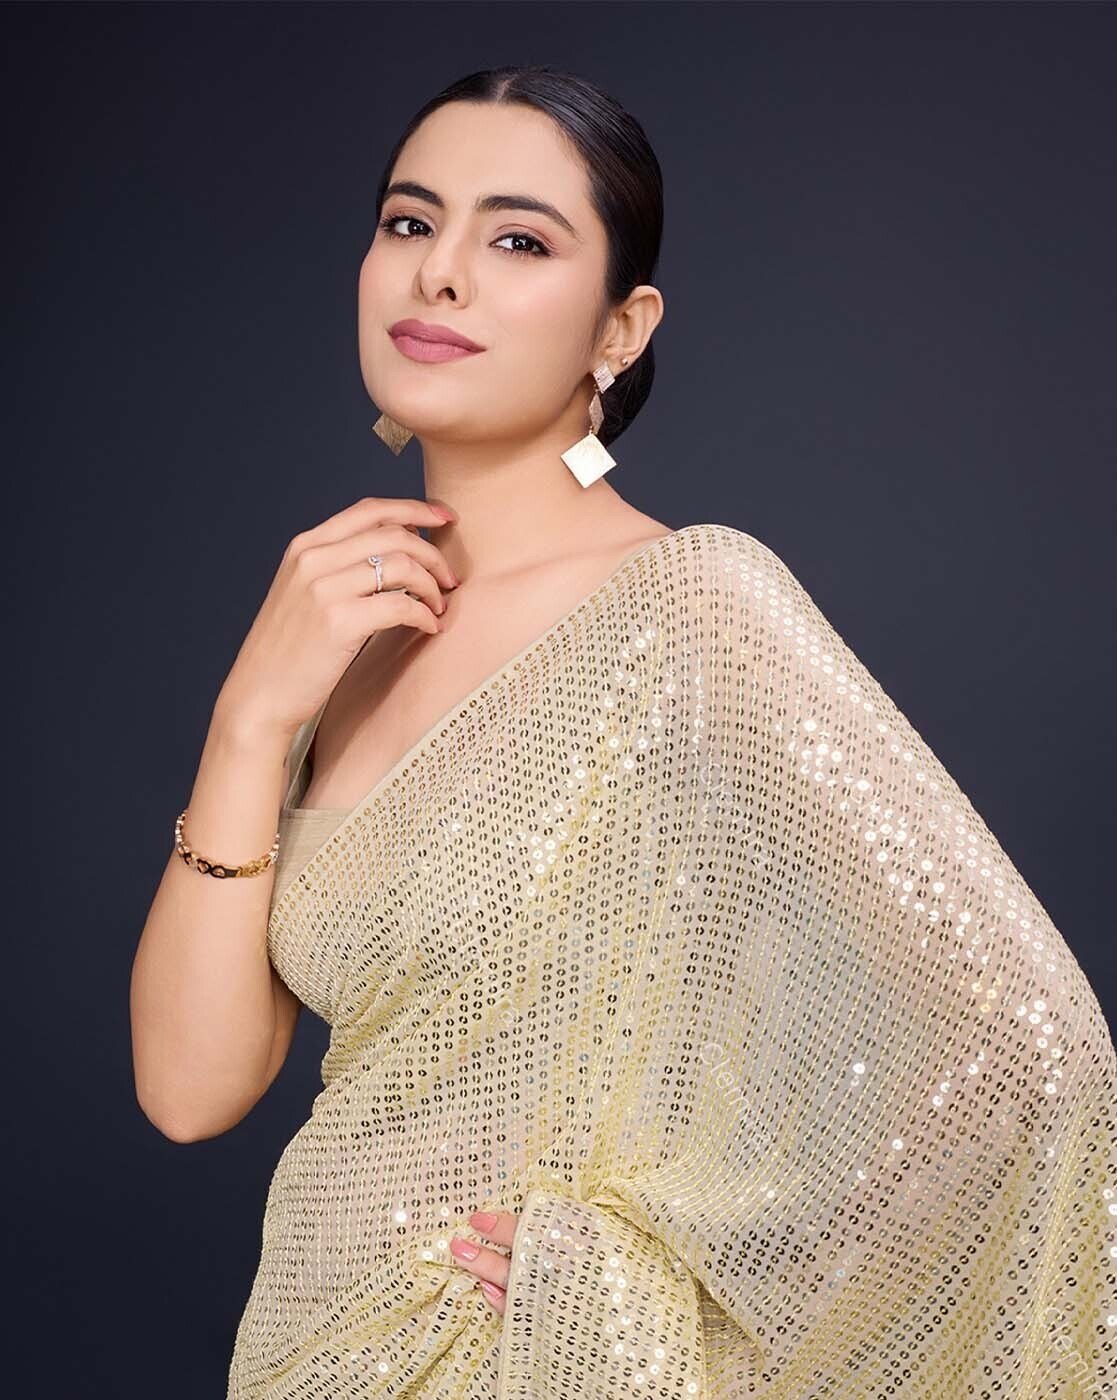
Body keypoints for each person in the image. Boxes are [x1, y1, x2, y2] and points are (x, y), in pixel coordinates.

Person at [130, 65, 1117, 1399]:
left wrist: (616, 1283)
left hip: (516, 1363)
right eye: (410, 223)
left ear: (620, 328)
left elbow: (1033, 1057)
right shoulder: (338, 638)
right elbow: (188, 1092)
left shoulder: (691, 607)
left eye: (518, 242)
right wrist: (250, 719)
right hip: (305, 1347)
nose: (439, 274)